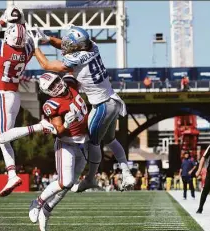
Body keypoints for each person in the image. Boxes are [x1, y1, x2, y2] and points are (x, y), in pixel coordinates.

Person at [27, 25, 135, 193]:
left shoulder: (75, 59)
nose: (66, 46)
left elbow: (47, 65)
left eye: (70, 44)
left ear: (77, 46)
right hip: (113, 100)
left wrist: (35, 47)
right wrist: (47, 38)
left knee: (94, 143)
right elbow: (65, 44)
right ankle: (127, 173)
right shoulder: (92, 46)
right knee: (111, 140)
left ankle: (90, 179)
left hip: (102, 106)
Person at [0, 72, 88, 231]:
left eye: (55, 82)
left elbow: (72, 68)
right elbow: (60, 131)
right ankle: (37, 203)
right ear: (48, 91)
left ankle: (47, 210)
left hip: (84, 141)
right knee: (66, 181)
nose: (56, 86)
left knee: (69, 185)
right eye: (52, 86)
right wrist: (67, 123)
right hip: (67, 143)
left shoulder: (71, 83)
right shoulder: (52, 104)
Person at [0, 7, 35, 197]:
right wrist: (22, 22)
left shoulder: (0, 49)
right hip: (14, 96)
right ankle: (12, 174)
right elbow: (27, 38)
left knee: (1, 137)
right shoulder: (27, 52)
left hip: (1, 94)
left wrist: (2, 20)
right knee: (4, 138)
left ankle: (37, 128)